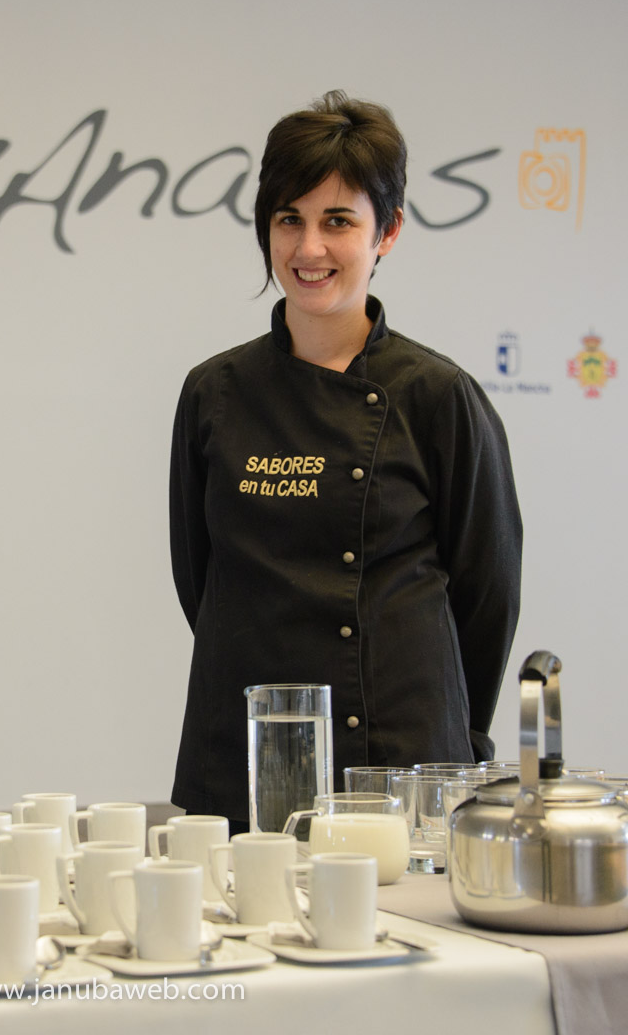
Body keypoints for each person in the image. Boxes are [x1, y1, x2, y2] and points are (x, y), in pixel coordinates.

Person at [168, 91, 523, 832]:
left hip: (396, 752)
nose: (308, 249)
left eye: (338, 221)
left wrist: (456, 735)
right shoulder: (215, 393)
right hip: (243, 749)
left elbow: (487, 597)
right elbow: (199, 581)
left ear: (387, 230)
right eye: (288, 219)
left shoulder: (437, 396)